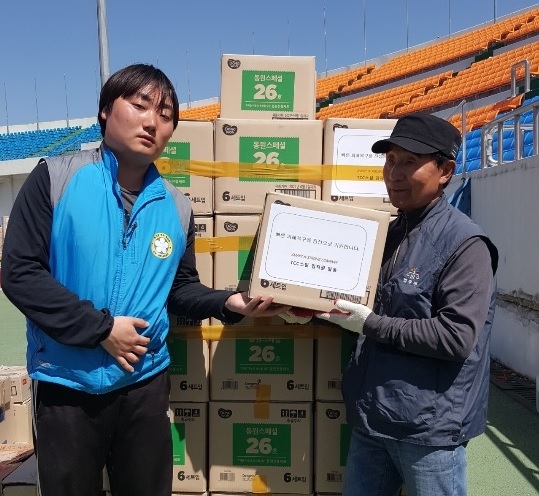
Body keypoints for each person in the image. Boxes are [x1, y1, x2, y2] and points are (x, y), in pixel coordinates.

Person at [1, 63, 286, 496]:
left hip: (144, 383)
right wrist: (101, 329)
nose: (153, 121)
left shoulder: (177, 206)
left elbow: (180, 288)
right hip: (65, 383)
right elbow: (19, 272)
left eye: (167, 114)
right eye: (139, 106)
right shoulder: (56, 179)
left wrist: (227, 303)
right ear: (104, 111)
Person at [283, 113, 498, 496]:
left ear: (445, 171)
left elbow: (455, 337)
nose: (394, 173)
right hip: (374, 418)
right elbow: (366, 308)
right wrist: (310, 311)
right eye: (390, 160)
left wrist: (368, 324)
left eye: (410, 162)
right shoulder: (387, 231)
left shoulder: (466, 244)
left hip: (428, 430)